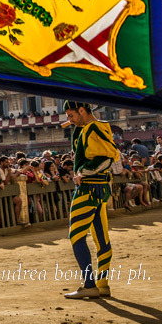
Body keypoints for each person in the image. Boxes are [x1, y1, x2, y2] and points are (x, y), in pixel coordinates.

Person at [62, 99, 118, 299]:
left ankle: (89, 284)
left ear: (82, 110)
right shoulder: (92, 128)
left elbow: (106, 158)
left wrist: (83, 173)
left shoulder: (93, 129)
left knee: (76, 235)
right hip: (100, 188)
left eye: (71, 115)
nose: (69, 120)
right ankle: (102, 284)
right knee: (101, 237)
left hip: (88, 188)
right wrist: (76, 128)